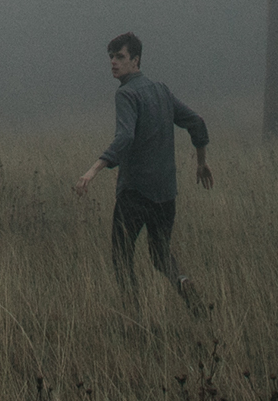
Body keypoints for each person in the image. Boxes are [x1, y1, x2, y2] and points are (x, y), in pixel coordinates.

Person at [70, 30, 213, 305]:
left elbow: (125, 137)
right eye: (111, 57)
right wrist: (201, 163)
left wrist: (93, 170)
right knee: (160, 255)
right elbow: (196, 122)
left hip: (135, 194)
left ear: (135, 61)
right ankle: (184, 284)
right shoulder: (161, 90)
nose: (113, 62)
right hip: (166, 194)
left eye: (120, 57)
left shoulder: (126, 95)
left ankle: (133, 316)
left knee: (121, 256)